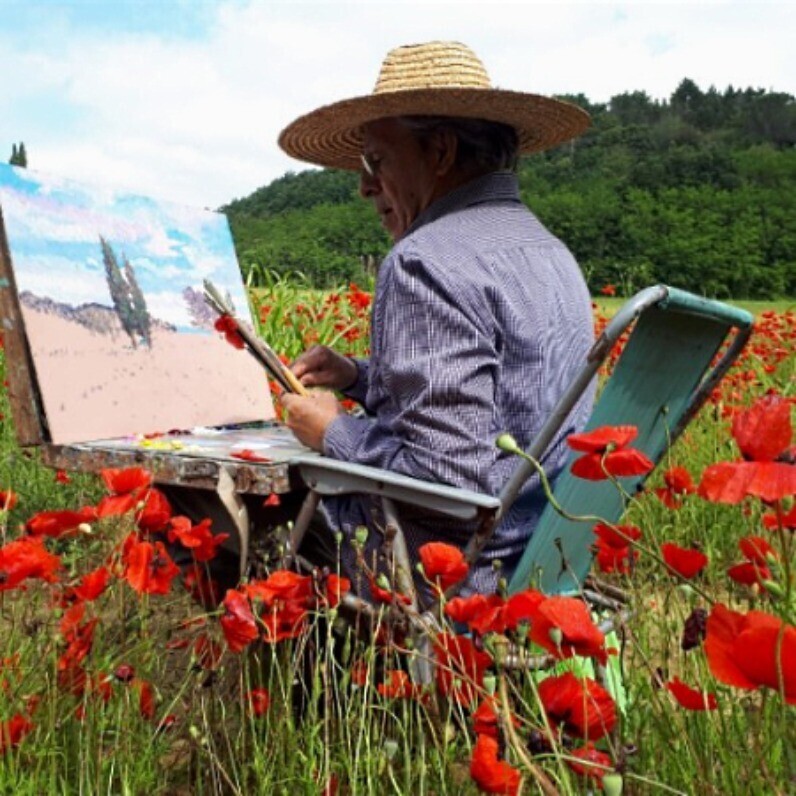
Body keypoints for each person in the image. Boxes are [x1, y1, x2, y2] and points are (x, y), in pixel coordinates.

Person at [277, 41, 595, 599]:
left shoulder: (424, 259)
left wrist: (333, 432)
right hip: (546, 554)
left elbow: (446, 482)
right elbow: (500, 399)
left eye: (377, 160)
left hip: (461, 573)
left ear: (441, 151)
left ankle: (312, 686)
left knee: (246, 512)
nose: (364, 185)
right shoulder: (549, 250)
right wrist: (357, 377)